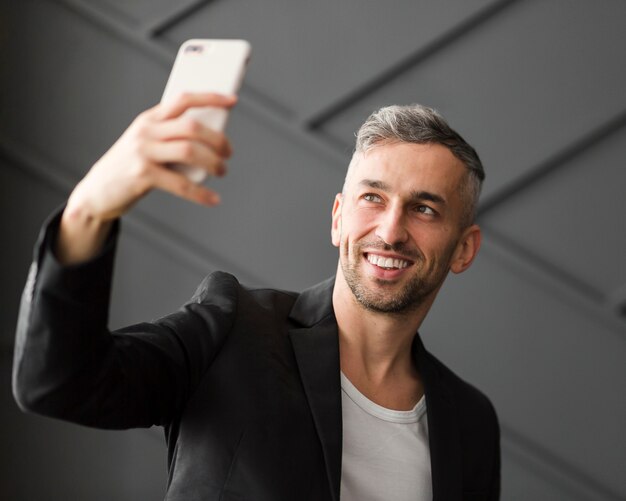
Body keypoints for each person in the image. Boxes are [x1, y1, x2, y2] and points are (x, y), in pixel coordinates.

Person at [13, 93, 500, 500]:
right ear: (337, 218)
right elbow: (58, 383)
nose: (390, 231)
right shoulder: (233, 328)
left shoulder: (470, 423)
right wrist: (89, 212)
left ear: (464, 248)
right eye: (372, 197)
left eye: (424, 209)